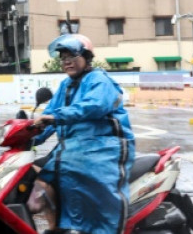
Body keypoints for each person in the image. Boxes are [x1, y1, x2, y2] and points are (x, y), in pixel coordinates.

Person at [27, 33, 135, 234]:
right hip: (73, 151)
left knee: (95, 195)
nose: (67, 61)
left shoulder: (99, 80)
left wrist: (55, 118)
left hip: (102, 148)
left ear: (87, 58)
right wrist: (30, 133)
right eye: (63, 57)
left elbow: (94, 106)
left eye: (72, 56)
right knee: (38, 181)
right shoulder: (65, 86)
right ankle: (57, 229)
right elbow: (50, 115)